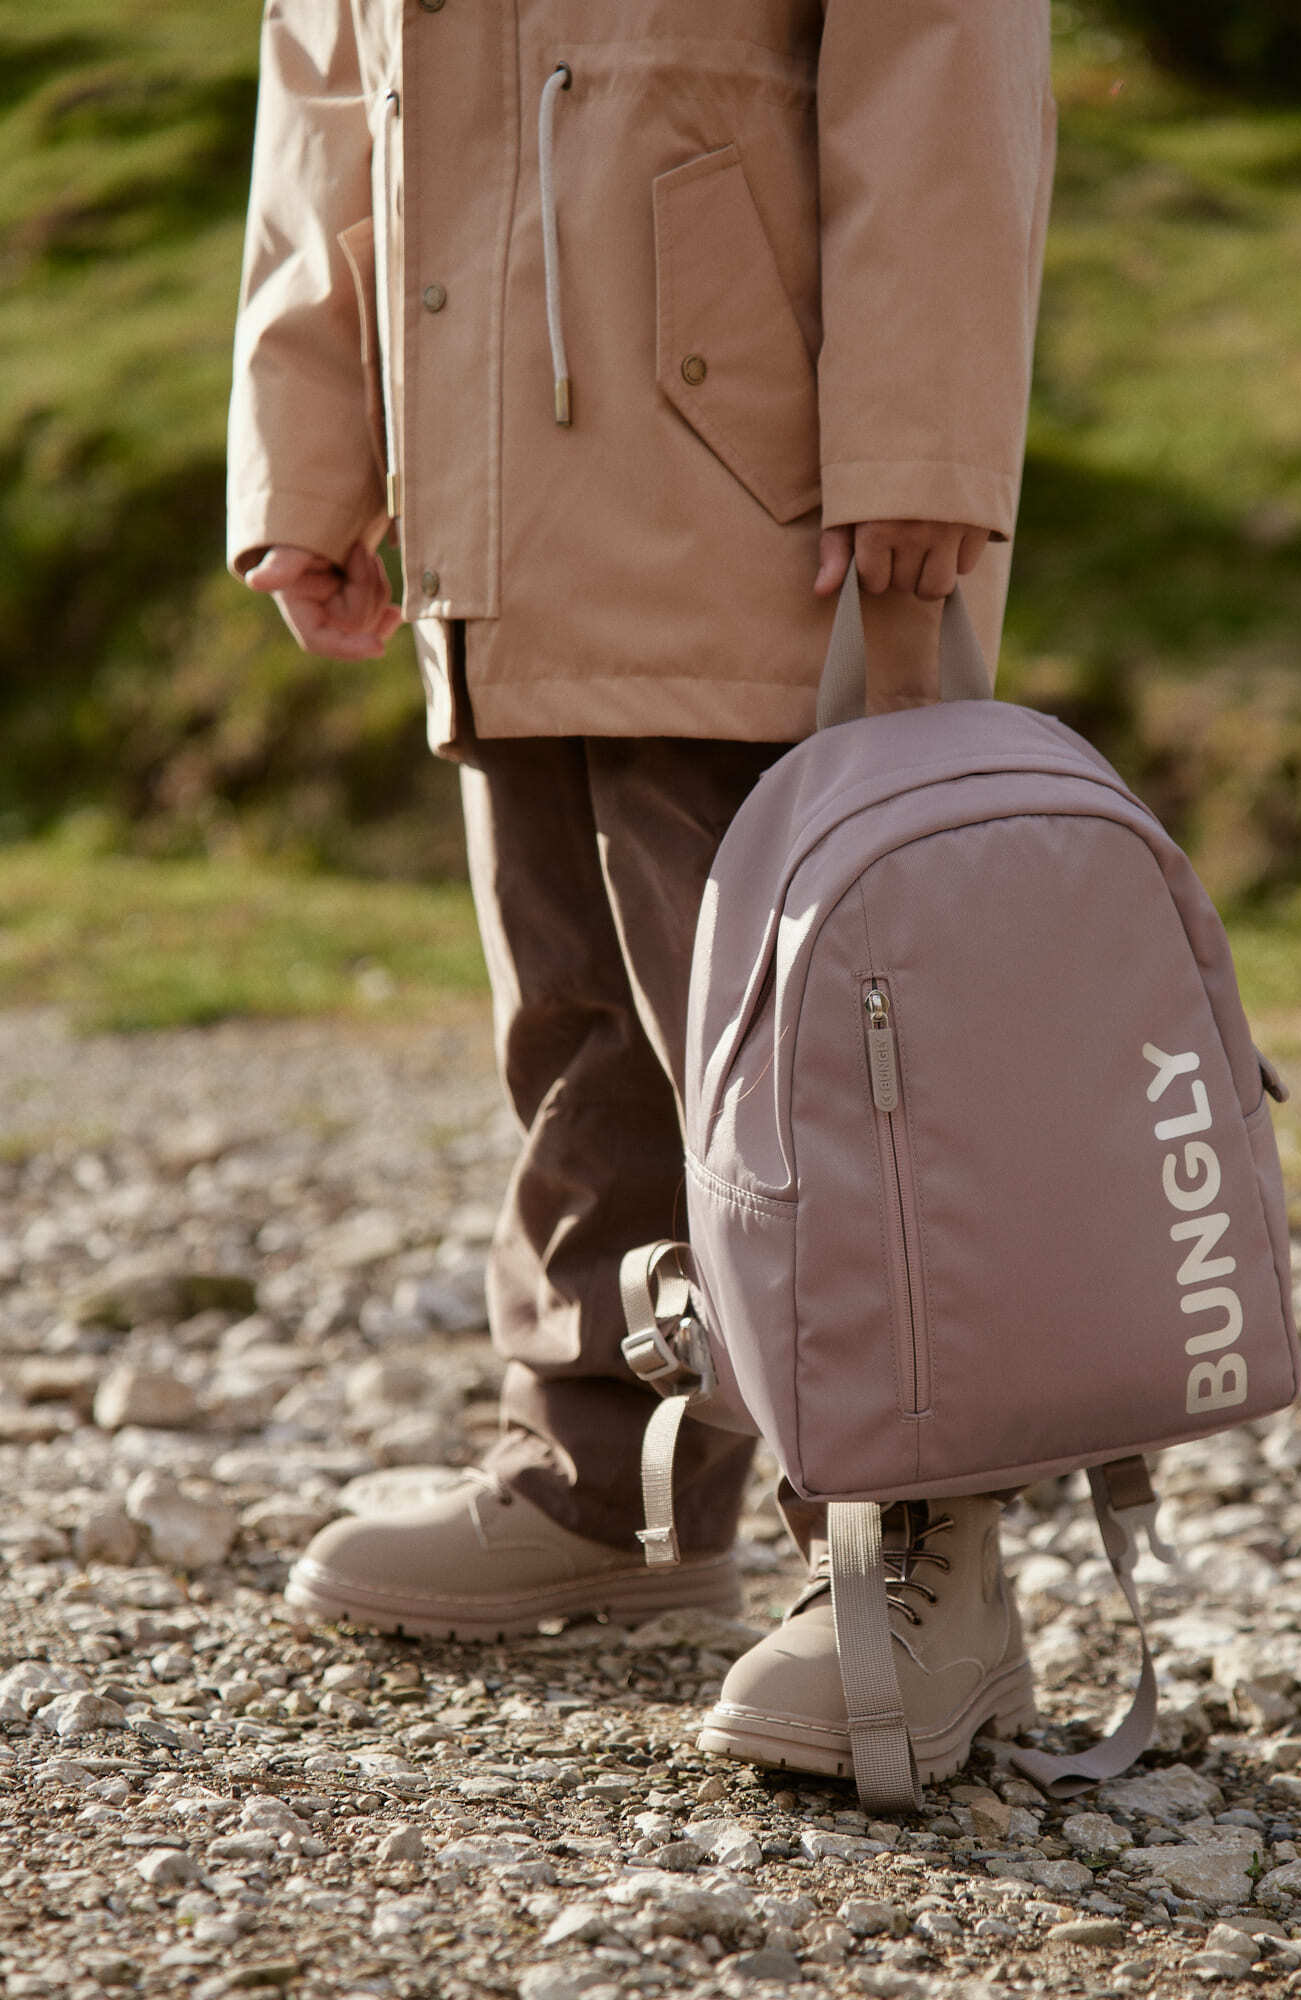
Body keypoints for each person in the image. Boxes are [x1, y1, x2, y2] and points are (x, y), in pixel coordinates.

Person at [228, 0, 1056, 1786]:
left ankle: (921, 1549)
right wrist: (311, 440)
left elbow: (944, 47)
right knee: (574, 1012)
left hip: (761, 458)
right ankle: (607, 1480)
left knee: (809, 1053)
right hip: (482, 456)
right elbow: (326, 63)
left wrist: (921, 438)